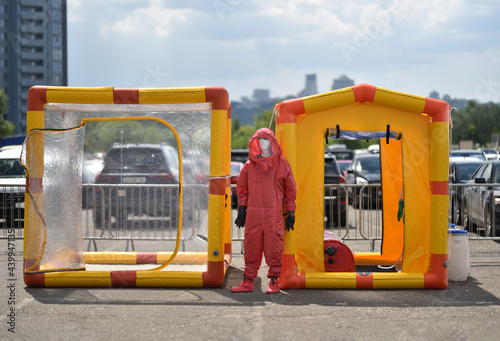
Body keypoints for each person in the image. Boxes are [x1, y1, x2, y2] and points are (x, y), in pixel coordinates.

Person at [231, 128, 297, 294]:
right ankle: (248, 280)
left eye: (266, 139)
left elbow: (290, 191)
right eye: (259, 140)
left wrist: (291, 211)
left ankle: (274, 281)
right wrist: (243, 210)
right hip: (253, 214)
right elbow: (243, 189)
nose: (262, 142)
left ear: (273, 142)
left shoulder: (282, 165)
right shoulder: (248, 166)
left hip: (273, 215)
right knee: (251, 245)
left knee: (274, 245)